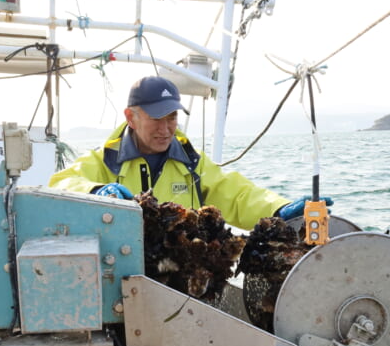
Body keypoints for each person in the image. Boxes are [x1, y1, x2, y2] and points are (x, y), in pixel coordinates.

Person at [48, 75, 330, 231]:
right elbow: (60, 184)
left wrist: (278, 209)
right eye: (156, 118)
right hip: (122, 277)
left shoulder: (191, 162)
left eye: (172, 117)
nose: (166, 128)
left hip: (181, 280)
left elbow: (237, 194)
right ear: (131, 118)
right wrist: (97, 191)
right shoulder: (105, 161)